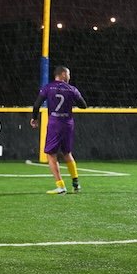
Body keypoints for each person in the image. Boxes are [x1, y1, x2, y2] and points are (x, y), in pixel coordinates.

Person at [30, 66, 87, 194]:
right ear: (63, 74)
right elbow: (83, 105)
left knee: (51, 154)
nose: (69, 77)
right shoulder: (72, 89)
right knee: (67, 153)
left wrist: (34, 118)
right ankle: (76, 184)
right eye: (68, 74)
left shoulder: (48, 87)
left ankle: (60, 186)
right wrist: (71, 100)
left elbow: (37, 104)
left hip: (55, 124)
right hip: (68, 123)